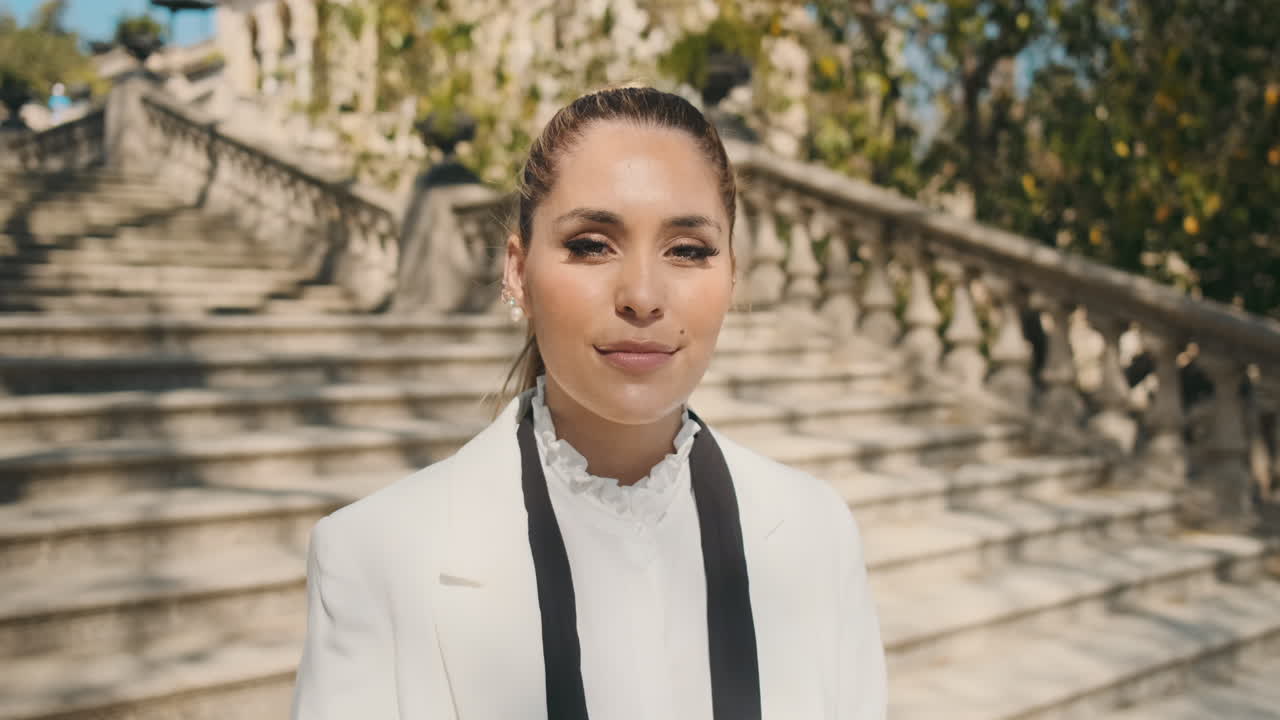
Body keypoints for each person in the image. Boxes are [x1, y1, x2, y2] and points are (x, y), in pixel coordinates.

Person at [290, 86, 887, 720]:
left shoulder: (818, 532)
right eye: (592, 244)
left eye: (687, 249)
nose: (641, 295)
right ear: (518, 272)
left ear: (731, 275)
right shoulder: (373, 556)